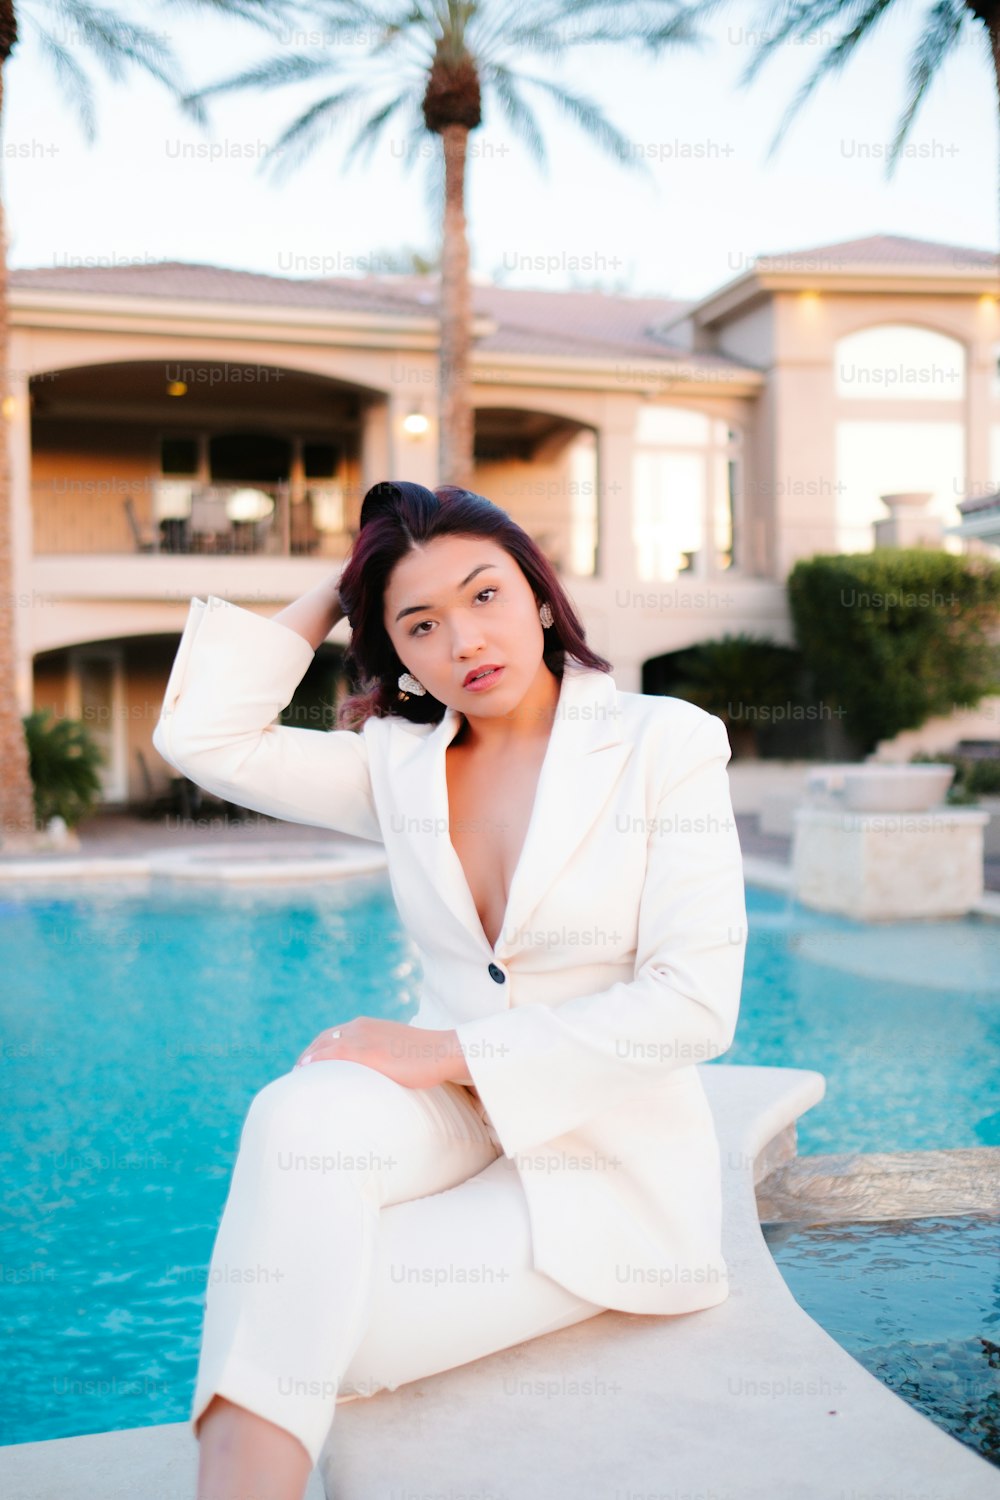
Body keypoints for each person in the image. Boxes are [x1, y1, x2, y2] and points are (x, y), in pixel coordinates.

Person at [151, 479, 748, 1500]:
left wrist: (440, 1054)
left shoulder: (663, 742)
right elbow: (204, 741)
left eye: (483, 597)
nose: (462, 640)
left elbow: (695, 1003)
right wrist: (342, 587)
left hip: (604, 1164)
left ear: (539, 593)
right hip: (457, 1127)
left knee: (301, 1321)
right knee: (298, 1115)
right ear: (391, 649)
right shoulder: (397, 765)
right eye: (418, 624)